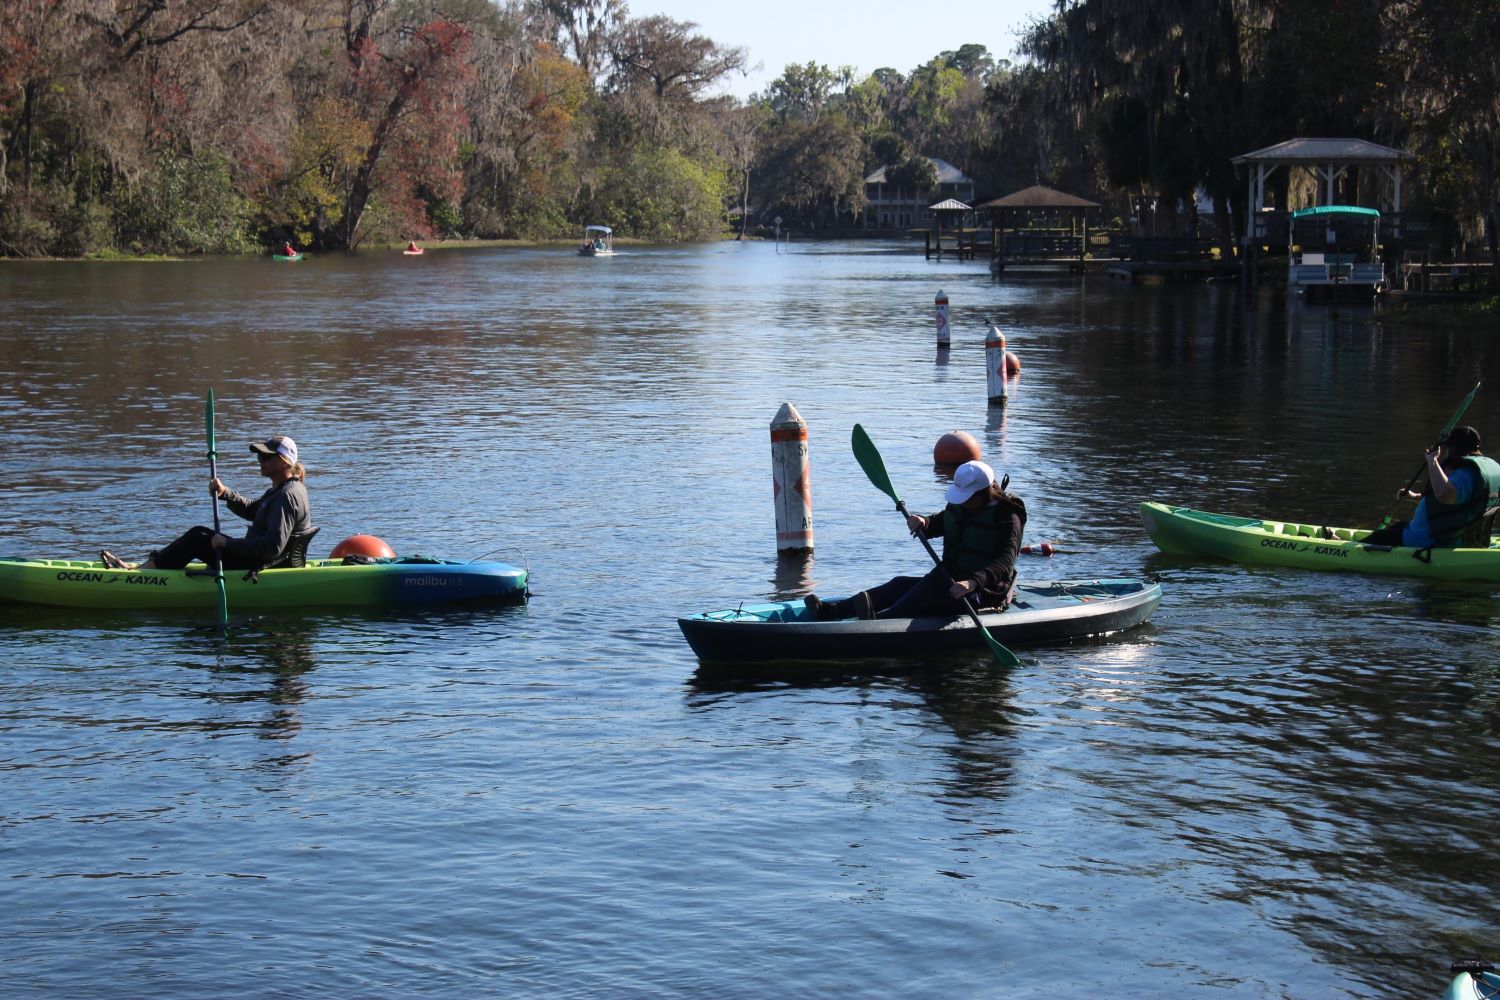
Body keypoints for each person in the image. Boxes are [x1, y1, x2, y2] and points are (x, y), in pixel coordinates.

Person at [805, 460, 1026, 621]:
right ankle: (831, 611)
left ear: (983, 493)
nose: (962, 502)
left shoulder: (1008, 516)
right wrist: (925, 522)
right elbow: (944, 521)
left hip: (983, 593)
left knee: (931, 585)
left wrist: (973, 583)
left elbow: (1005, 563)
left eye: (966, 498)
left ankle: (882, 623)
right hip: (950, 581)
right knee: (900, 584)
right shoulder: (963, 504)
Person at [101, 435, 311, 571]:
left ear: (283, 462)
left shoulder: (286, 496)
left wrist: (227, 544)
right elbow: (253, 511)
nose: (260, 461)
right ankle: (148, 567)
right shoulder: (281, 490)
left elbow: (273, 547)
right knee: (200, 534)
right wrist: (225, 492)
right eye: (259, 457)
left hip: (260, 564)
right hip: (259, 559)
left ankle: (142, 573)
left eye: (266, 457)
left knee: (197, 538)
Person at [1364, 425, 1500, 548]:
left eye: (1448, 448)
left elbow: (1444, 495)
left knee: (1379, 537)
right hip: (1460, 539)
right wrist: (1415, 496)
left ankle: (1346, 551)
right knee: (1397, 527)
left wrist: (1432, 461)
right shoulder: (1481, 470)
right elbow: (1459, 503)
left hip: (1427, 542)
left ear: (1454, 448)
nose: (1446, 452)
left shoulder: (1465, 474)